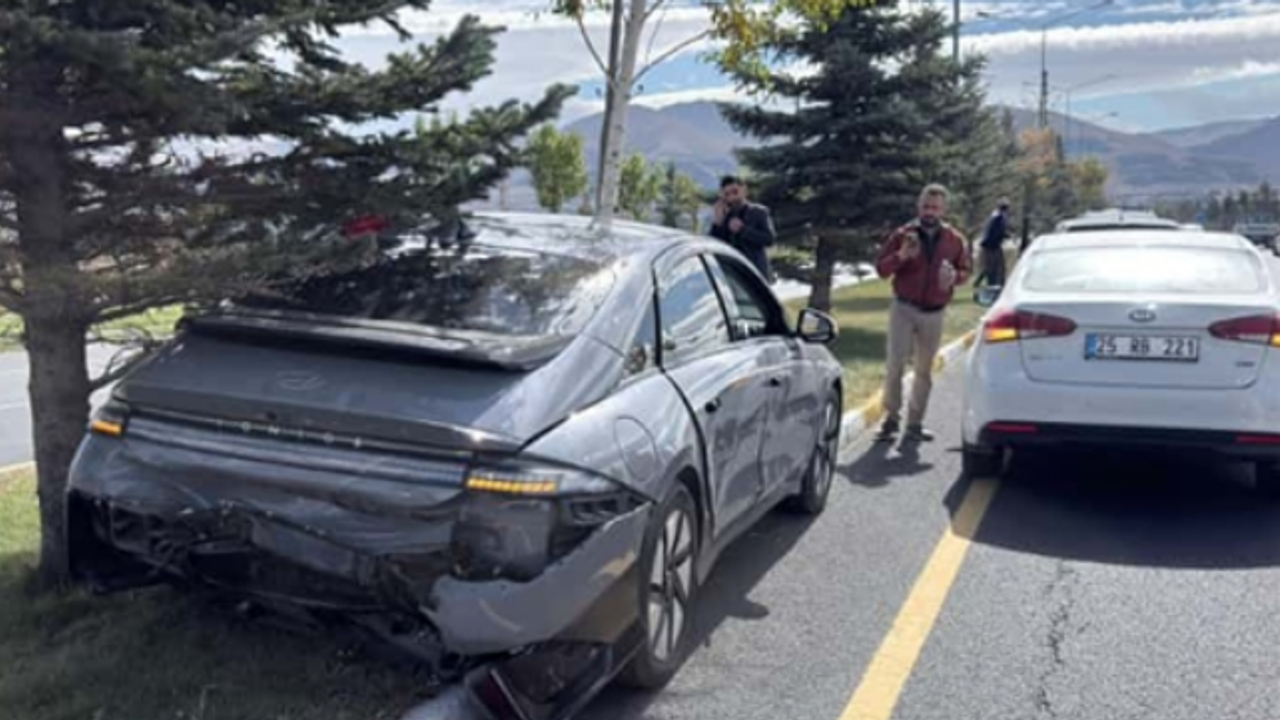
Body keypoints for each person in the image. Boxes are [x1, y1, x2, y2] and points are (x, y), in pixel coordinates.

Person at [874, 183, 972, 442]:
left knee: (923, 370)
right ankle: (891, 419)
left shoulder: (954, 240)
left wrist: (954, 277)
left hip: (934, 313)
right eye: (926, 206)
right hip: (904, 308)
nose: (930, 211)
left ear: (943, 210)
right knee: (895, 365)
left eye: (935, 207)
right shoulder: (902, 234)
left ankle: (915, 424)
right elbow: (882, 270)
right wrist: (901, 256)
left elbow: (966, 271)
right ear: (919, 206)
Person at [710, 175, 777, 281]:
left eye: (735, 192)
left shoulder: (758, 212)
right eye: (727, 194)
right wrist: (717, 223)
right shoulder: (723, 218)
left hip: (757, 273)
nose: (732, 197)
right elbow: (714, 246)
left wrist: (743, 230)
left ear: (744, 190)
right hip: (734, 277)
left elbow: (769, 239)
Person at [974, 199, 1010, 288]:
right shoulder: (999, 217)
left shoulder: (995, 215)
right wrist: (1004, 235)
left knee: (991, 267)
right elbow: (997, 232)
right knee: (995, 268)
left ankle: (981, 283)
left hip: (991, 245)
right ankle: (994, 284)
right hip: (992, 246)